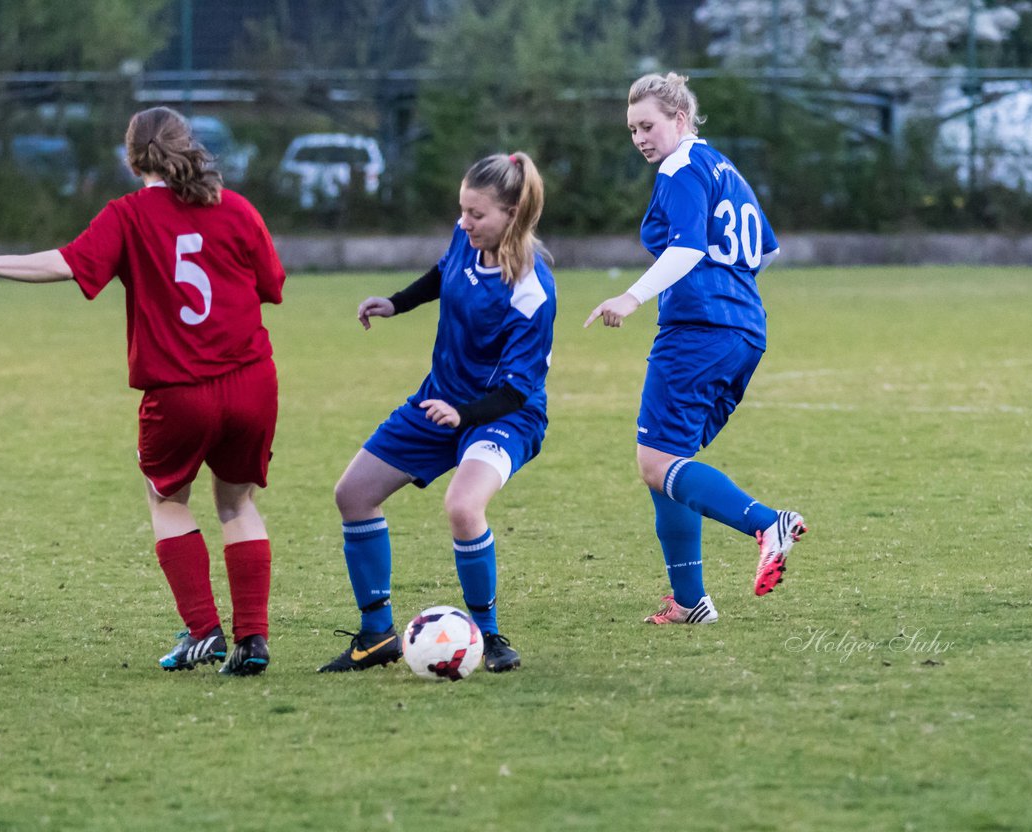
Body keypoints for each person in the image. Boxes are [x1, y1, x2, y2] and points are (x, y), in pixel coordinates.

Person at [0, 106, 285, 675]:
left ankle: (204, 631)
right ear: (186, 147)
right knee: (238, 501)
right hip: (252, 381)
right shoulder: (236, 207)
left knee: (167, 498)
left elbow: (66, 264)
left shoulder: (127, 215)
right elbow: (271, 286)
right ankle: (254, 639)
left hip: (179, 391)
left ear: (132, 160)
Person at [319, 151, 555, 675]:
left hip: (503, 418)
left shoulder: (532, 290)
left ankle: (489, 637)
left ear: (511, 214)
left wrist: (464, 413)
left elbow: (518, 390)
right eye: (462, 211)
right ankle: (377, 634)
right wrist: (396, 303)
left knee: (463, 506)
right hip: (440, 399)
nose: (464, 222)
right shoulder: (465, 239)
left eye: (477, 214)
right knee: (353, 495)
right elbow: (443, 273)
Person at [584, 72, 807, 625]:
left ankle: (766, 523)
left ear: (679, 119)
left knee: (657, 460)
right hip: (744, 330)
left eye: (647, 124)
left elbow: (686, 248)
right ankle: (689, 602)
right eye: (632, 128)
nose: (639, 136)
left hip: (697, 331)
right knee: (667, 459)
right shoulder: (723, 166)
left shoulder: (679, 167)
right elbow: (767, 251)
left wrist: (634, 297)